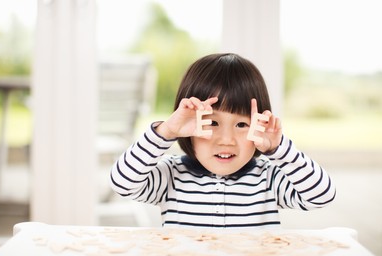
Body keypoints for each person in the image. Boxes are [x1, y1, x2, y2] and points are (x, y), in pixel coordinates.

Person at [109, 53, 335, 229]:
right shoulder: (170, 176)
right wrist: (167, 131)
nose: (226, 140)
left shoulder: (269, 178)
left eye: (241, 125)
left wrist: (279, 150)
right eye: (212, 123)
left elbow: (321, 195)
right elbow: (122, 183)